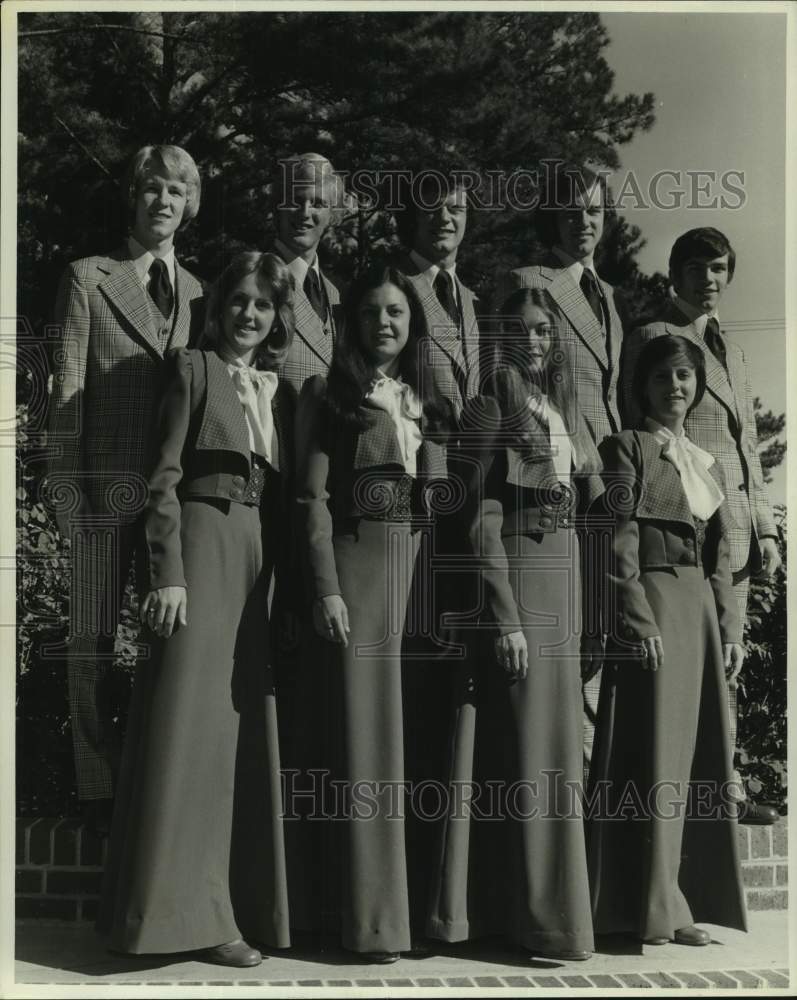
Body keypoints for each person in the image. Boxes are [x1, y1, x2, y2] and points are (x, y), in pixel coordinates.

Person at [97, 252, 295, 966]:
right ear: (219, 308)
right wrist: (166, 574)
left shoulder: (276, 391)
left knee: (235, 738)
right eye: (239, 301)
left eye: (263, 307)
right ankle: (164, 919)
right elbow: (163, 478)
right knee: (188, 731)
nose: (249, 314)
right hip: (201, 554)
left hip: (255, 561)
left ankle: (219, 909)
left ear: (276, 319)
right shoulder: (192, 368)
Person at [427, 287, 603, 961]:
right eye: (521, 330)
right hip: (522, 587)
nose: (534, 341)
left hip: (563, 580)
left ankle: (553, 918)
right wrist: (503, 618)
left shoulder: (562, 411)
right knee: (522, 751)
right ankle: (526, 920)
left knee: (556, 750)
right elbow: (477, 514)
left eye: (543, 332)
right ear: (500, 341)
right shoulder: (493, 399)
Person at [291, 264, 451, 963]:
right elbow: (310, 500)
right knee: (361, 744)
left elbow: (443, 509)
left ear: (411, 323)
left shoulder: (429, 403)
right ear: (350, 324)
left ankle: (405, 918)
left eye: (395, 312)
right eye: (369, 313)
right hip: (357, 573)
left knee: (411, 742)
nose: (383, 322)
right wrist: (325, 587)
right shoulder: (331, 394)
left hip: (417, 580)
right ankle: (357, 920)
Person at [46, 145, 205, 834]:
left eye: (177, 191)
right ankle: (97, 790)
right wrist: (65, 492)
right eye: (151, 189)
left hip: (173, 498)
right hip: (100, 490)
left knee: (170, 641)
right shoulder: (89, 278)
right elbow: (68, 392)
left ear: (190, 205)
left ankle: (157, 785)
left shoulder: (201, 293)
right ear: (132, 199)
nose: (163, 201)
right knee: (92, 641)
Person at [588, 334, 747, 946]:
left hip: (700, 617)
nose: (674, 387)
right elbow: (617, 539)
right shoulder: (624, 447)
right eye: (662, 378)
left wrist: (729, 628)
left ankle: (681, 901)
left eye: (684, 377)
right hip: (654, 609)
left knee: (694, 759)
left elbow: (720, 555)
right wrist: (636, 618)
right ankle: (643, 907)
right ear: (642, 387)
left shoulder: (705, 459)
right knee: (650, 756)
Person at [620, 227, 781, 826]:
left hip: (735, 526)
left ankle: (726, 787)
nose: (707, 280)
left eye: (717, 269)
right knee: (685, 661)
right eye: (694, 268)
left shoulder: (733, 351)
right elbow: (636, 422)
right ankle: (682, 796)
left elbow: (748, 445)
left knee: (728, 660)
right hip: (680, 525)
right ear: (675, 274)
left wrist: (764, 528)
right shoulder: (655, 336)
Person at [496, 161, 625, 783]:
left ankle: (593, 785)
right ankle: (557, 772)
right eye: (572, 211)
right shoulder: (530, 279)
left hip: (599, 479)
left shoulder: (611, 300)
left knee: (600, 625)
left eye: (595, 211)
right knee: (560, 630)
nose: (585, 222)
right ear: (553, 217)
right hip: (547, 474)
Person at [272, 152, 345, 394]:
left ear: (331, 214)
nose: (304, 213)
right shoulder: (255, 280)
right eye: (295, 200)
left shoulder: (336, 297)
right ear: (277, 207)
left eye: (318, 203)